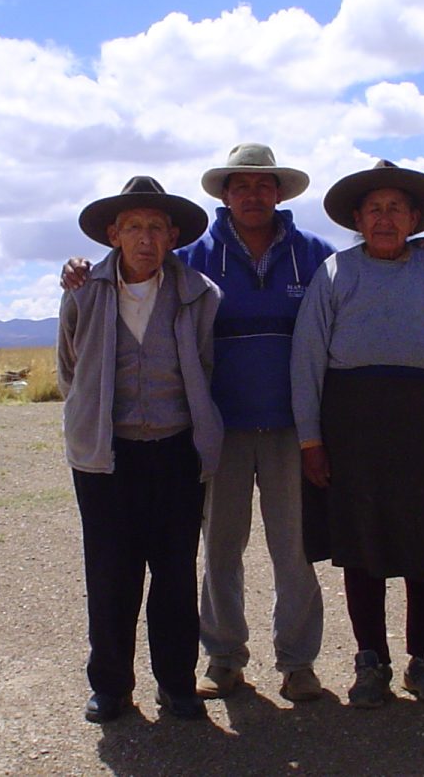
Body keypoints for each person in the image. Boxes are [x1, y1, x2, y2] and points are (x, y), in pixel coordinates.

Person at [64, 143, 335, 703]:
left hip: (291, 428)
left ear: (279, 192)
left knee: (294, 551)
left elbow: (358, 280)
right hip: (219, 431)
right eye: (241, 185)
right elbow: (77, 360)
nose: (253, 194)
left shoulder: (314, 256)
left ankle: (298, 663)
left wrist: (421, 247)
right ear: (224, 194)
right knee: (219, 552)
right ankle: (224, 659)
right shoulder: (195, 258)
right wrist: (77, 269)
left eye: (263, 184)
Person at [290, 159, 424, 709]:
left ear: (414, 219)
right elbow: (306, 361)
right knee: (361, 548)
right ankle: (370, 662)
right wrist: (311, 441)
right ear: (357, 219)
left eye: (396, 208)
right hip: (351, 428)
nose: (384, 218)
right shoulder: (334, 273)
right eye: (374, 209)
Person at [58, 175, 223, 723]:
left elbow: (204, 367)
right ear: (114, 235)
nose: (145, 238)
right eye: (133, 227)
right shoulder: (84, 290)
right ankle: (110, 687)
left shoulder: (199, 293)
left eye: (156, 227)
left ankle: (176, 684)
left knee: (175, 575)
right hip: (106, 457)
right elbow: (70, 369)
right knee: (110, 574)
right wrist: (90, 420)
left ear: (173, 236)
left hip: (176, 452)